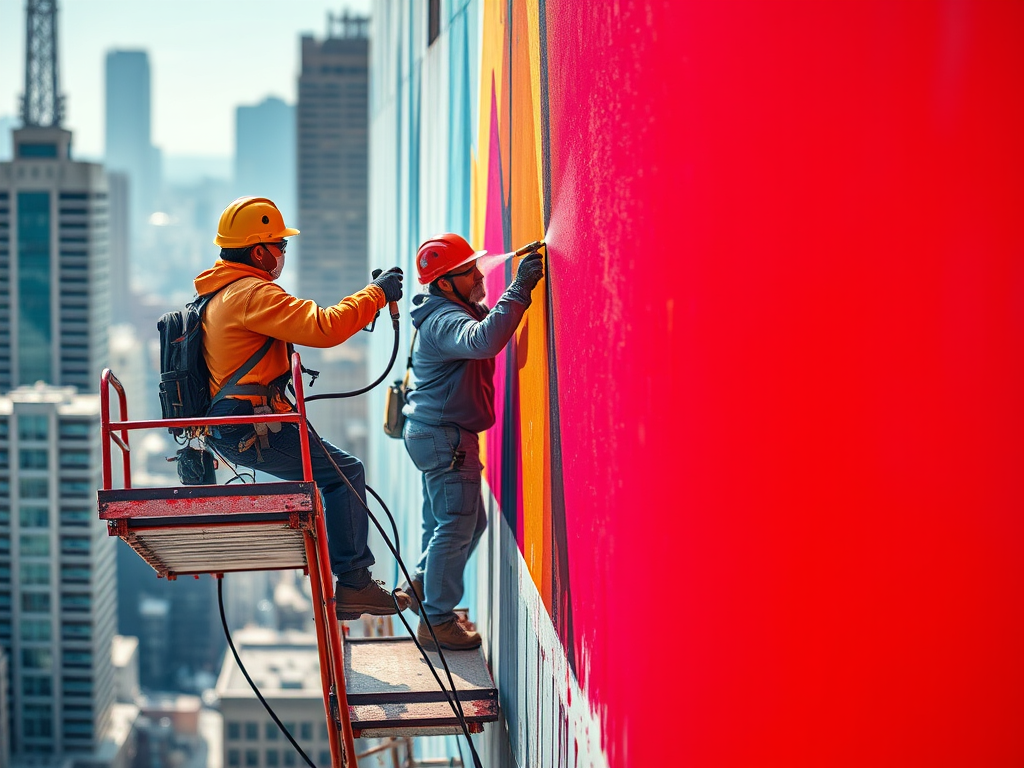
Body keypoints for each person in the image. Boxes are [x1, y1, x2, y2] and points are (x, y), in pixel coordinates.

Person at [196, 196, 411, 620]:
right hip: (250, 430)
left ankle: (353, 583)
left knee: (337, 473)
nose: (282, 254)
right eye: (280, 245)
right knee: (345, 473)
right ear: (259, 251)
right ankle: (354, 585)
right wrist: (376, 294)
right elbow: (323, 327)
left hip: (243, 427)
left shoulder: (220, 294)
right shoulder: (250, 293)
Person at [402, 233, 545, 649]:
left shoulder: (450, 308)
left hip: (437, 436)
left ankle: (421, 586)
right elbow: (484, 340)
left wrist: (511, 295)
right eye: (470, 271)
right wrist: (518, 289)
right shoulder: (446, 320)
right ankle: (436, 620)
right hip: (445, 440)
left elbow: (483, 321)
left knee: (464, 522)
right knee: (457, 524)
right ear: (445, 283)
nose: (480, 273)